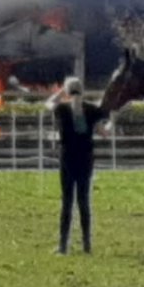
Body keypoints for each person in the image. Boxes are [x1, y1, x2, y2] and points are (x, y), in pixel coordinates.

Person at [46, 76, 108, 254]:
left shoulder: (62, 109)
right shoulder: (91, 110)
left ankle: (63, 245)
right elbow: (104, 132)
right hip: (86, 159)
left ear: (67, 91)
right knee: (84, 201)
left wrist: (61, 92)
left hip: (67, 159)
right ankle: (86, 244)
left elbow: (48, 103)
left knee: (67, 202)